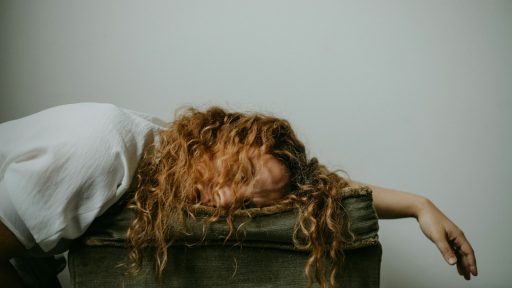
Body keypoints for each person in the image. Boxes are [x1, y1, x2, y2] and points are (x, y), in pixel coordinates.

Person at [0, 103, 477, 287]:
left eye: (248, 204)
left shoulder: (161, 158)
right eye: (241, 171)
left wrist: (419, 205)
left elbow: (321, 187)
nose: (227, 202)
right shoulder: (103, 151)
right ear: (215, 137)